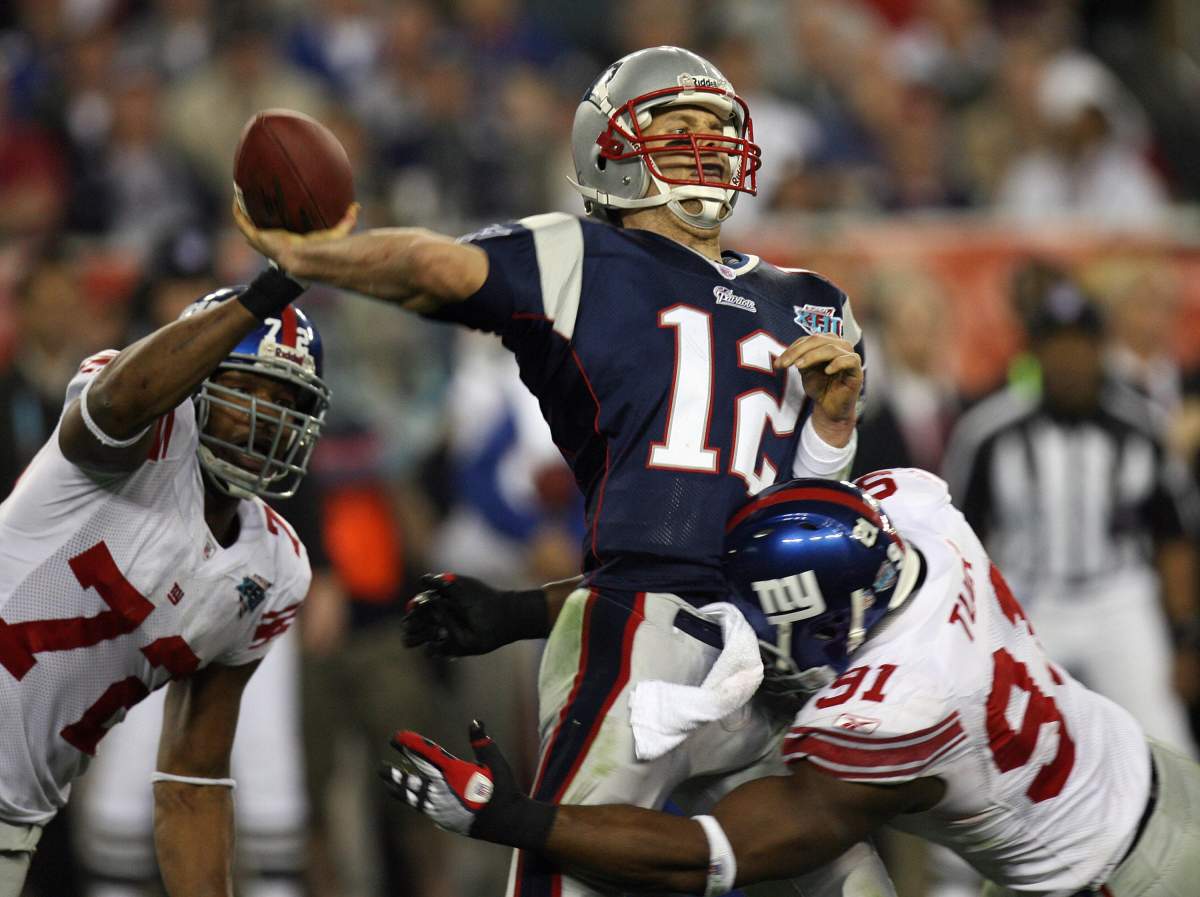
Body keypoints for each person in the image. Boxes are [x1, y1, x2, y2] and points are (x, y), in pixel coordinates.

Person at [237, 44, 885, 897]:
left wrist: (835, 424)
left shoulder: (810, 301)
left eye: (716, 125)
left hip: (769, 647)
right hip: (638, 633)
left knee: (850, 882)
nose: (705, 142)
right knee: (568, 870)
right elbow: (438, 269)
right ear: (609, 148)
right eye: (678, 125)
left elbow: (808, 508)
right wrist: (316, 255)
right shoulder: (584, 258)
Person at [385, 467, 1200, 897]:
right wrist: (519, 611)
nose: (750, 638)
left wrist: (515, 817)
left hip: (1119, 878)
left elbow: (703, 857)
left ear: (831, 624)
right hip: (1148, 768)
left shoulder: (894, 710)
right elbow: (715, 592)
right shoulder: (918, 519)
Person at [0, 262, 336, 897]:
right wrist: (265, 290)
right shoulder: (136, 432)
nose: (264, 417)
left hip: (14, 817)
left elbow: (192, 783)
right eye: (245, 389)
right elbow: (118, 401)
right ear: (195, 384)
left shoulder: (274, 568)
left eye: (286, 402)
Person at [941, 284, 1199, 756]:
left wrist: (1184, 636)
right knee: (1002, 744)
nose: (1069, 360)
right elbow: (958, 538)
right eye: (1056, 346)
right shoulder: (989, 432)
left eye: (1080, 345)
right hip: (1028, 601)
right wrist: (967, 632)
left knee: (1166, 742)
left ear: (1101, 350)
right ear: (1034, 353)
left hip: (1119, 599)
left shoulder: (1141, 425)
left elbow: (1172, 537)